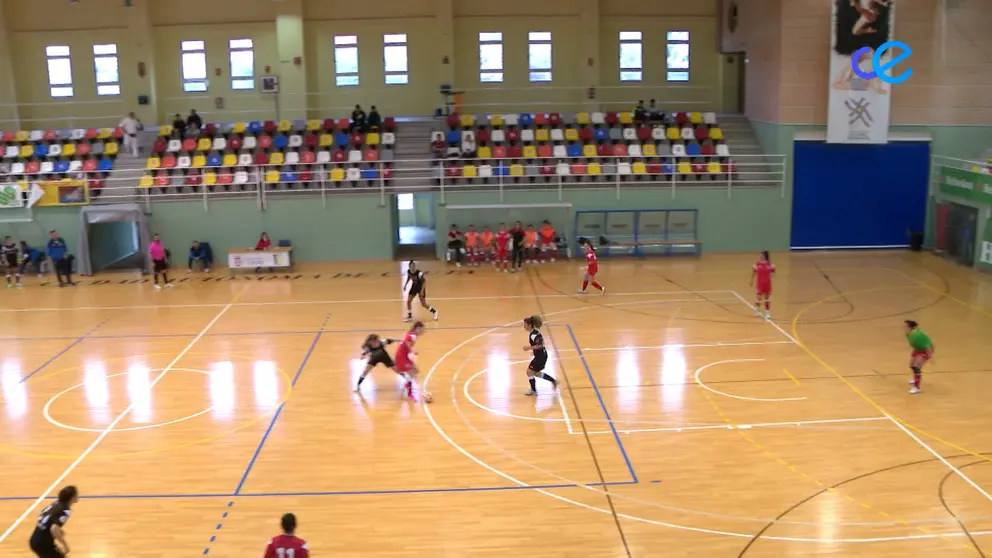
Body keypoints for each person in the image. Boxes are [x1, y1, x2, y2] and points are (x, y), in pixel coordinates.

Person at [29, 485, 78, 558]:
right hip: (44, 544)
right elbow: (54, 528)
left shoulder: (55, 503)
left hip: (34, 539)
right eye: (76, 495)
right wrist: (64, 545)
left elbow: (43, 516)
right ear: (72, 498)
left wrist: (57, 530)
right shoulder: (65, 510)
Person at [522, 315, 558, 396]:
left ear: (530, 325)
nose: (524, 326)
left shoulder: (533, 335)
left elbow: (540, 345)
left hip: (541, 357)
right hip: (541, 355)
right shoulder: (534, 333)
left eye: (525, 325)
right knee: (535, 373)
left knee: (529, 372)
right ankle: (553, 381)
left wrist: (529, 348)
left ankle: (534, 390)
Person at [394, 321, 426, 401]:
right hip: (401, 357)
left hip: (403, 356)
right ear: (417, 329)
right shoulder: (412, 336)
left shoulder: (411, 334)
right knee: (413, 372)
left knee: (415, 371)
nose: (422, 332)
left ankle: (407, 385)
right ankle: (410, 393)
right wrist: (413, 351)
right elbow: (408, 346)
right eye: (422, 330)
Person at [904, 320, 934, 395]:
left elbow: (927, 346)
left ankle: (916, 387)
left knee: (917, 367)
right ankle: (915, 379)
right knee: (911, 365)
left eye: (905, 326)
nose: (904, 327)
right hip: (917, 349)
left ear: (910, 327)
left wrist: (930, 357)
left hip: (925, 350)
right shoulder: (907, 333)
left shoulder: (918, 335)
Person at [750, 250, 775, 319]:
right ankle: (757, 309)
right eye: (760, 255)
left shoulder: (769, 264)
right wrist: (751, 281)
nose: (761, 256)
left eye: (762, 255)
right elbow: (753, 273)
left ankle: (767, 312)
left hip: (767, 283)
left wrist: (771, 274)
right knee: (759, 298)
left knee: (767, 298)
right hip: (759, 283)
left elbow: (773, 273)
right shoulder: (757, 264)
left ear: (765, 256)